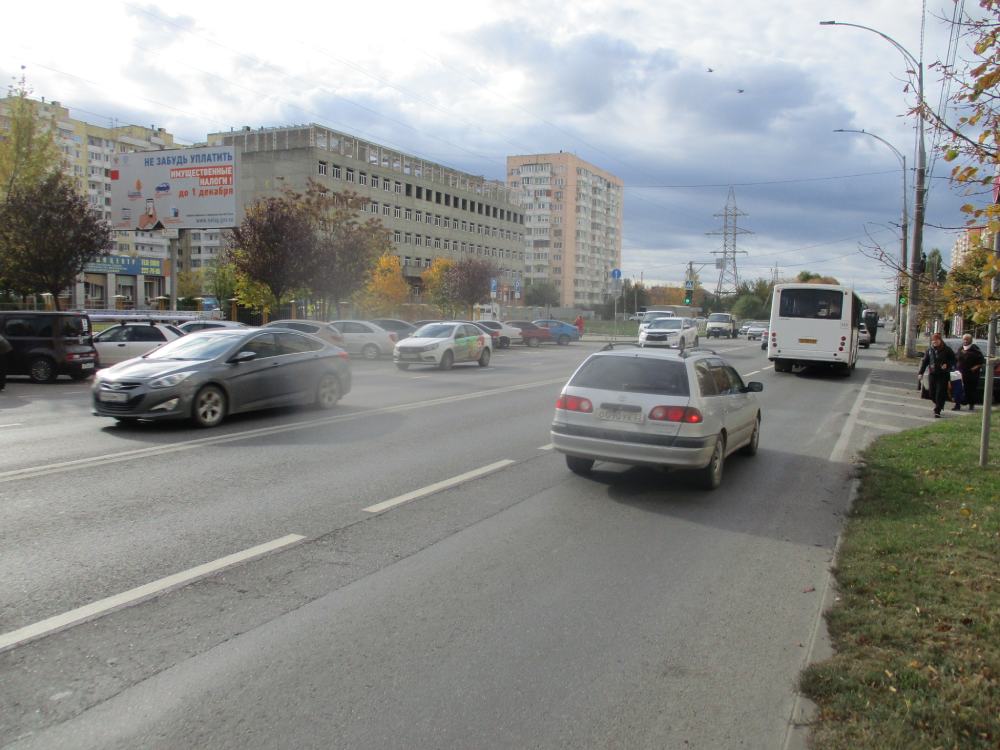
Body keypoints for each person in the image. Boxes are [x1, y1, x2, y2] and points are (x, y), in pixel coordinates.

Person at [918, 332, 957, 417]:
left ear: (940, 340)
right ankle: (939, 404)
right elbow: (925, 362)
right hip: (932, 374)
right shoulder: (929, 350)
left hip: (943, 375)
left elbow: (954, 360)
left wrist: (947, 365)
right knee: (932, 393)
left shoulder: (947, 349)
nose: (934, 342)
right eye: (933, 341)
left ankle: (937, 410)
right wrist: (921, 373)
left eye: (936, 340)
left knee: (940, 392)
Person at [954, 333, 985, 411]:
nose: (965, 341)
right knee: (958, 389)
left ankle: (971, 404)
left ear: (971, 340)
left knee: (970, 390)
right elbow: (956, 358)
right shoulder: (960, 348)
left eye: (967, 339)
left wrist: (974, 368)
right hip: (959, 373)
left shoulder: (975, 350)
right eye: (964, 339)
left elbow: (981, 362)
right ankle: (957, 405)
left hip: (971, 375)